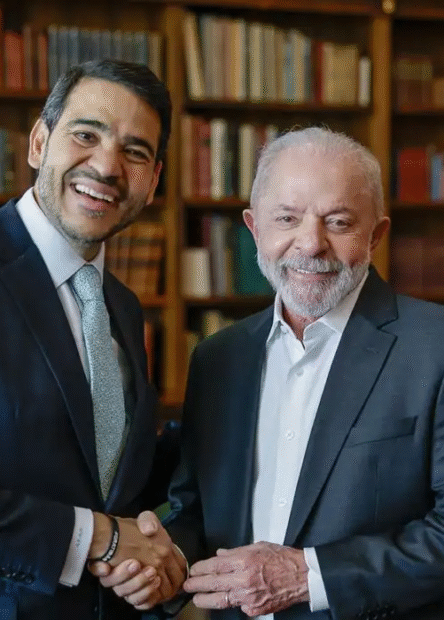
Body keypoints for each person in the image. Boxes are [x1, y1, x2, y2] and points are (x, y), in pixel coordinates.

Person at [98, 126, 444, 619]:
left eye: (339, 222)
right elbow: (196, 511)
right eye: (287, 218)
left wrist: (309, 577)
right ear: (254, 228)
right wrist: (165, 565)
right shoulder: (218, 359)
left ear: (376, 234)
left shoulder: (433, 347)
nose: (311, 244)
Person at [0, 59, 187, 620]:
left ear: (153, 181)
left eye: (135, 152)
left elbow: (110, 477)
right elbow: (103, 527)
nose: (107, 166)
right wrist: (96, 537)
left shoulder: (121, 307)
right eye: (86, 135)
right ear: (39, 142)